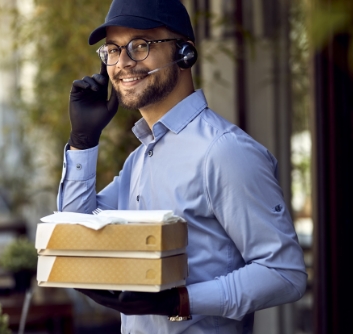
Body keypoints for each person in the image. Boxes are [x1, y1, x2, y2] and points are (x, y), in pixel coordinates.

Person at [57, 0, 307, 332]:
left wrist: (181, 300)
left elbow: (284, 274)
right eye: (113, 50)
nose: (123, 63)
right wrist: (82, 141)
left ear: (184, 53)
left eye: (140, 46)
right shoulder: (139, 160)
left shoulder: (223, 152)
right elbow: (75, 240)